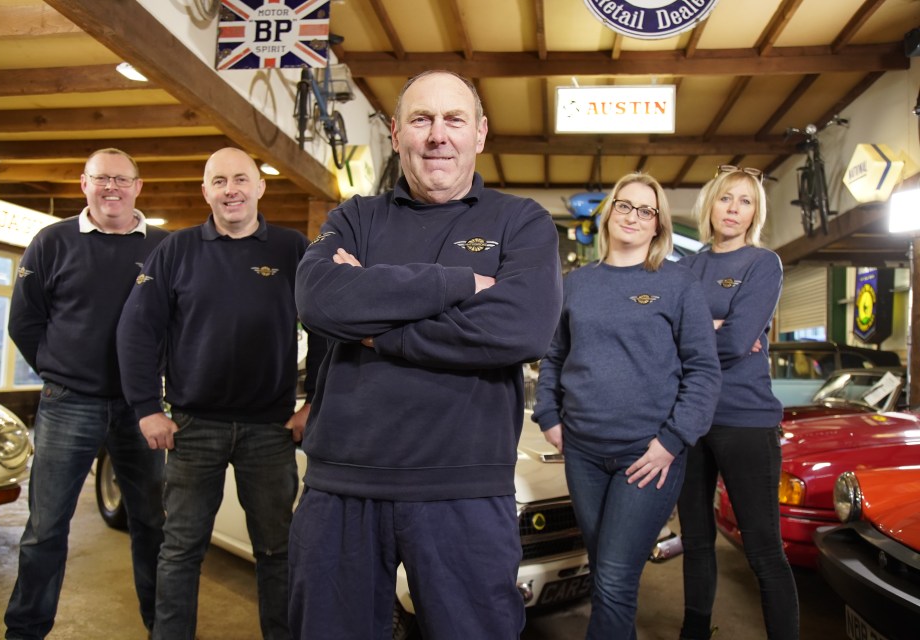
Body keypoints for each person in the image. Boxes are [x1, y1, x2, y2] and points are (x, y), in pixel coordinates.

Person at [290, 70, 563, 639]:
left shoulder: (522, 222)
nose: (438, 135)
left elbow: (523, 327)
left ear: (480, 134)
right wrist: (462, 283)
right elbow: (318, 299)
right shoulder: (353, 218)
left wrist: (374, 326)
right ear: (396, 132)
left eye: (453, 119)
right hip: (343, 486)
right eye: (421, 119)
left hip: (463, 488)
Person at [115, 147, 323, 640]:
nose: (231, 189)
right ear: (205, 190)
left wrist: (315, 401)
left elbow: (327, 331)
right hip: (192, 426)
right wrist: (146, 408)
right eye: (219, 181)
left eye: (240, 179)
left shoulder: (293, 249)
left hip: (270, 430)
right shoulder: (176, 250)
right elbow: (136, 329)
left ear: (260, 186)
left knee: (278, 551)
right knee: (181, 548)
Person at [532, 172, 722, 640]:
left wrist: (671, 442)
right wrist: (550, 416)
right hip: (583, 454)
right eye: (625, 205)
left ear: (658, 226)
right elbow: (554, 357)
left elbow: (703, 370)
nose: (633, 216)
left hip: (648, 456)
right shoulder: (575, 284)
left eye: (646, 210)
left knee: (614, 579)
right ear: (608, 212)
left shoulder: (677, 284)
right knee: (605, 574)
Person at [4, 148, 167, 639]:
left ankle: (164, 627)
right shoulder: (51, 242)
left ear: (139, 186)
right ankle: (26, 631)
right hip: (67, 402)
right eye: (102, 179)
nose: (111, 188)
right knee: (45, 528)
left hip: (141, 408)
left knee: (153, 525)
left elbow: (179, 323)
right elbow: (24, 322)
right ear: (84, 183)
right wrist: (60, 370)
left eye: (122, 179)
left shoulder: (165, 246)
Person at [676, 166, 799, 640]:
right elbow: (667, 338)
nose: (733, 208)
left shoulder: (762, 263)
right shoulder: (685, 268)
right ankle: (695, 630)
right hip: (690, 419)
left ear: (754, 213)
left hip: (745, 420)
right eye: (726, 198)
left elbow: (737, 342)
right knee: (697, 541)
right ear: (710, 205)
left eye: (745, 201)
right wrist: (720, 328)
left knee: (764, 549)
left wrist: (712, 332)